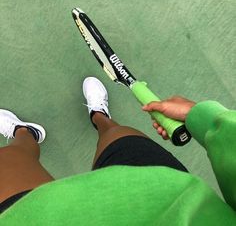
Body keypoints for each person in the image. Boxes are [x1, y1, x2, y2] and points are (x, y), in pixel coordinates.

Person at [0, 77, 235, 225]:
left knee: (6, 162)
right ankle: (99, 117)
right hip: (156, 199)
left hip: (30, 218)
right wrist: (198, 116)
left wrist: (201, 115)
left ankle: (23, 132)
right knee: (116, 135)